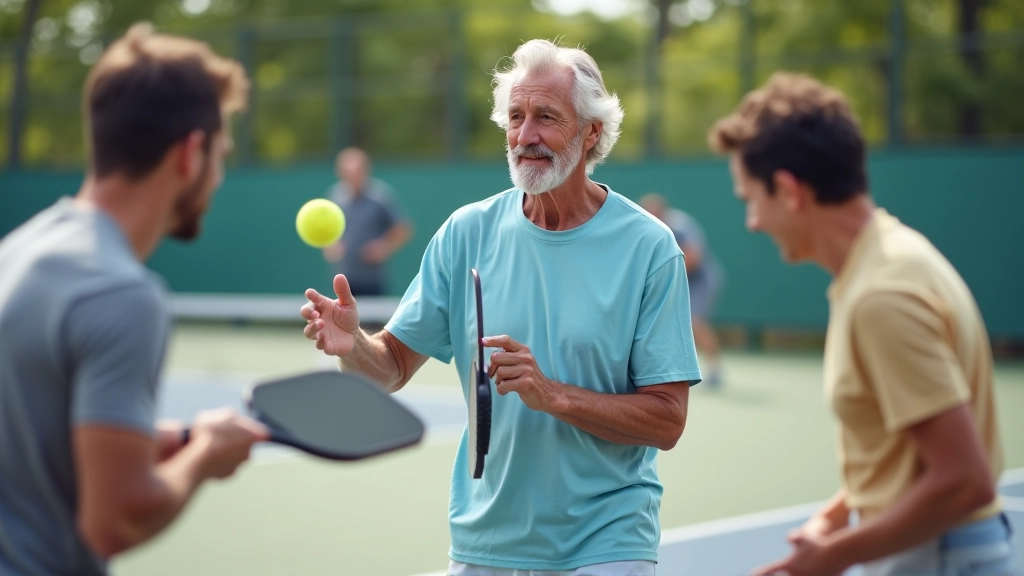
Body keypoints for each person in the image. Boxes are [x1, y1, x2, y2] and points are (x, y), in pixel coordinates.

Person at [301, 39, 701, 575]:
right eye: (515, 116)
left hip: (608, 541)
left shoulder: (649, 248)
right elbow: (391, 367)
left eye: (546, 117)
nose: (525, 135)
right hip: (484, 542)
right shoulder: (465, 232)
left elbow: (667, 421)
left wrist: (553, 394)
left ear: (591, 134)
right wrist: (354, 346)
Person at [707, 72, 1015, 576]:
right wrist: (833, 518)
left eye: (750, 200)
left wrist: (834, 556)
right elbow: (905, 456)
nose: (753, 222)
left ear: (788, 191)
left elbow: (964, 481)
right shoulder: (893, 259)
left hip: (939, 557)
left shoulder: (881, 295)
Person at [0, 24, 269, 575]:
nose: (217, 177)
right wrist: (202, 459)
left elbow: (38, 438)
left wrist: (181, 437)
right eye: (220, 154)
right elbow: (114, 521)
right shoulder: (122, 295)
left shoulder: (17, 251)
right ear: (191, 154)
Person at [639, 193, 725, 385]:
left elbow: (694, 258)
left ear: (662, 212)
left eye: (653, 212)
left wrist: (660, 271)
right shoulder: (646, 228)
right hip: (679, 280)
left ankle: (715, 370)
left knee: (695, 321)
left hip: (700, 280)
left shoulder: (680, 225)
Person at [322, 147, 412, 296]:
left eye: (356, 171)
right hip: (343, 278)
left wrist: (382, 247)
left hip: (372, 280)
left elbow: (402, 229)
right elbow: (327, 234)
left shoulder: (381, 196)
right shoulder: (334, 196)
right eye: (347, 172)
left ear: (365, 170)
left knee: (371, 318)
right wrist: (331, 245)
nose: (352, 176)